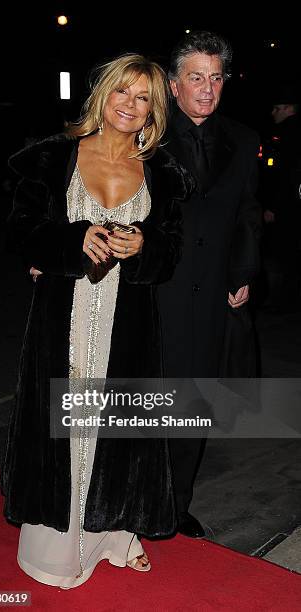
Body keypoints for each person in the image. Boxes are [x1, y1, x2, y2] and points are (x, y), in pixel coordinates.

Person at [0, 53, 192, 588]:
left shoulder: (165, 175)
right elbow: (20, 230)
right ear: (101, 96)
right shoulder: (51, 158)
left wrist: (144, 244)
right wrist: (69, 240)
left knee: (117, 428)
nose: (130, 105)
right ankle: (58, 549)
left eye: (144, 98)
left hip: (126, 319)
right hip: (64, 313)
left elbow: (170, 252)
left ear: (155, 110)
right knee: (66, 424)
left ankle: (112, 534)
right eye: (121, 93)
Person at [158, 31, 262, 537]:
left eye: (215, 78)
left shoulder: (243, 140)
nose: (206, 88)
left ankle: (175, 505)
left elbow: (246, 214)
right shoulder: (145, 135)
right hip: (152, 294)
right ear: (173, 85)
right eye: (195, 77)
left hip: (212, 299)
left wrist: (242, 273)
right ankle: (133, 502)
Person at [261, 84, 301, 309]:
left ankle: (282, 301)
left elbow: (284, 175)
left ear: (288, 108)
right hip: (290, 204)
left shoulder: (288, 134)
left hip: (286, 206)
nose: (273, 113)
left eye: (277, 108)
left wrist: (273, 206)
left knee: (281, 254)